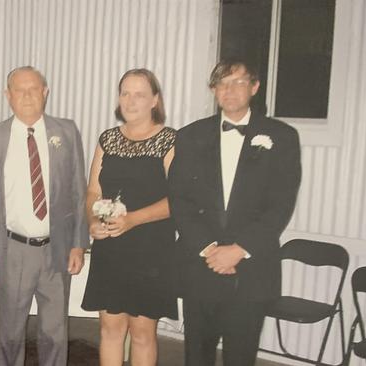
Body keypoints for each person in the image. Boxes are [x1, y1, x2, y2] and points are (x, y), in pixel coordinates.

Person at [168, 59, 302, 366]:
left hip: (251, 269)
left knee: (241, 357)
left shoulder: (282, 137)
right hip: (201, 265)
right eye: (222, 83)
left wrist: (240, 249)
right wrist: (210, 248)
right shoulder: (190, 136)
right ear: (214, 90)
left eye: (238, 82)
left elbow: (281, 203)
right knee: (197, 357)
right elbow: (180, 199)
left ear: (254, 87)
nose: (229, 90)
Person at [0, 66, 89, 366]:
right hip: (12, 251)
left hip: (57, 249)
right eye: (19, 90)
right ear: (7, 95)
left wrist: (78, 243)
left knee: (55, 332)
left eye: (33, 89)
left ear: (45, 92)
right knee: (10, 332)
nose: (27, 96)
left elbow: (78, 190)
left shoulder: (66, 132)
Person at [81, 68, 179, 366]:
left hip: (150, 249)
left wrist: (133, 219)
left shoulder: (170, 140)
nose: (131, 100)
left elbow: (178, 201)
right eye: (125, 93)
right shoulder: (107, 139)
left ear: (154, 100)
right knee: (110, 329)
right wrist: (92, 222)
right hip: (111, 247)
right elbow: (93, 192)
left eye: (139, 94)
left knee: (142, 333)